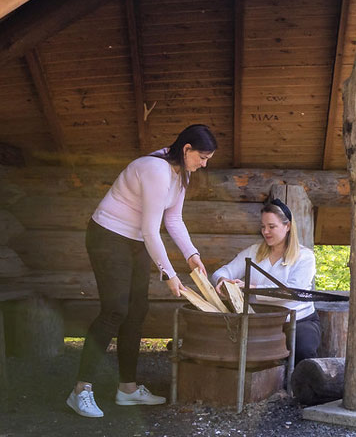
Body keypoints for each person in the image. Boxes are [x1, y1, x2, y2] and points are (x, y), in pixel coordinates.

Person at [68, 124, 215, 419]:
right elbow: (152, 230)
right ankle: (80, 391)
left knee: (137, 310)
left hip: (134, 241)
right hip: (108, 236)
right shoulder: (155, 169)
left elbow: (173, 220)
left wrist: (192, 255)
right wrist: (170, 274)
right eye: (202, 157)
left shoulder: (181, 175)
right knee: (115, 310)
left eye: (208, 158)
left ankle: (128, 390)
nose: (204, 163)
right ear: (187, 149)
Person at [212, 198, 321, 363]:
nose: (266, 232)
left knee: (303, 348)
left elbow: (292, 291)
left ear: (288, 226)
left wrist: (253, 288)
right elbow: (222, 271)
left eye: (272, 227)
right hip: (262, 322)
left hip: (298, 321)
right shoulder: (254, 252)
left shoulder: (305, 257)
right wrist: (223, 280)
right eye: (263, 227)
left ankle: (299, 388)